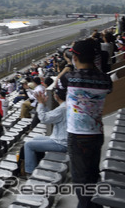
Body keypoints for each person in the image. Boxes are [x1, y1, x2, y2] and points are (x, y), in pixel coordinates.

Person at [58, 38, 112, 208]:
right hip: (96, 134)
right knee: (92, 175)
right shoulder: (105, 80)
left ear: (75, 58)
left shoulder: (69, 77)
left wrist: (67, 64)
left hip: (77, 136)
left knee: (81, 181)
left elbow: (58, 87)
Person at [23, 88, 67, 175]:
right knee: (36, 138)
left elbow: (44, 119)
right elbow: (51, 116)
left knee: (28, 145)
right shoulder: (64, 106)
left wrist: (40, 103)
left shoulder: (62, 109)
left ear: (56, 96)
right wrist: (43, 104)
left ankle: (30, 173)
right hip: (59, 138)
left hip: (61, 143)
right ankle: (37, 163)